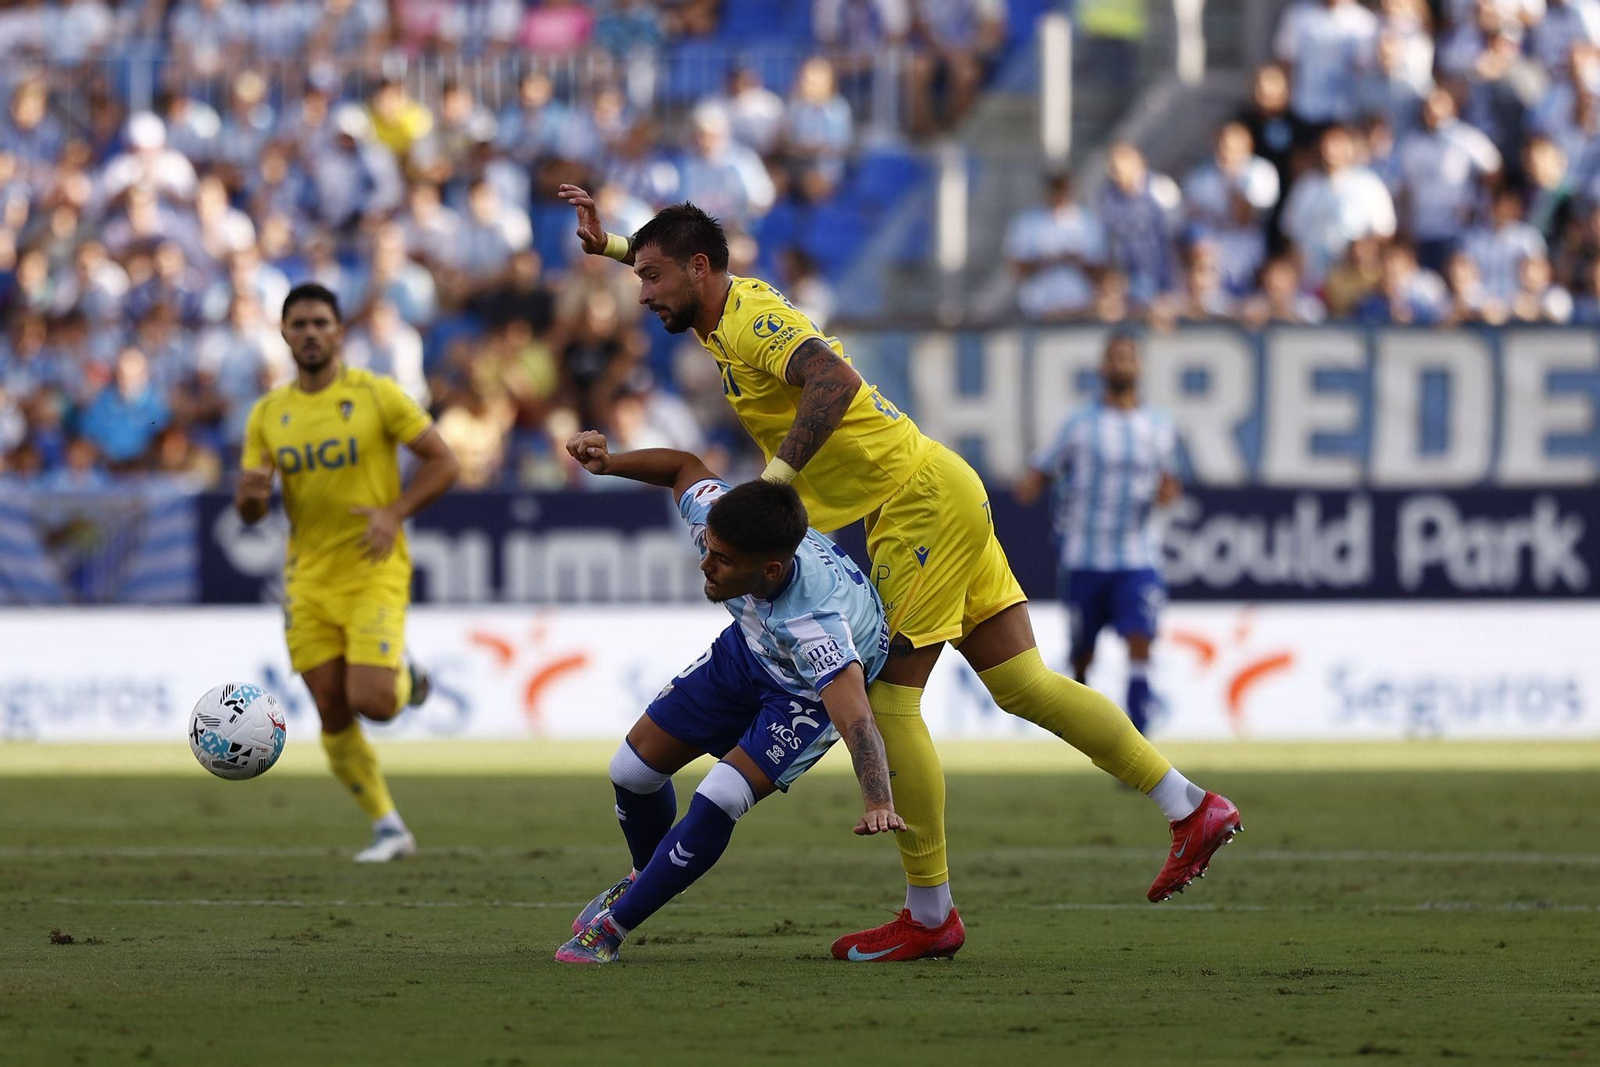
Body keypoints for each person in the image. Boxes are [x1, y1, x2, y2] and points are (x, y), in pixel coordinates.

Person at [558, 187, 1242, 962]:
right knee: (1022, 684)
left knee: (885, 703)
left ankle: (929, 913)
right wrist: (613, 246)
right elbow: (693, 275)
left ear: (700, 268)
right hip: (930, 489)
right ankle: (1189, 804)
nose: (643, 294)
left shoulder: (746, 318)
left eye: (651, 277)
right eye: (637, 275)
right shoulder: (721, 313)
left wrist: (778, 479)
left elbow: (835, 382)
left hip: (916, 506)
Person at [554, 432, 906, 964]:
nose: (704, 564)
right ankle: (644, 876)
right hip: (747, 653)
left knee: (720, 796)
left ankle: (612, 930)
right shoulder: (719, 515)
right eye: (709, 549)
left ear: (769, 570)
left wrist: (878, 801)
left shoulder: (816, 624)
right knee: (630, 772)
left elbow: (854, 714)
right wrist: (610, 464)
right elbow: (683, 465)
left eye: (721, 559)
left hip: (803, 695)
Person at [234, 283, 460, 862]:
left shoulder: (376, 395)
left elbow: (445, 461)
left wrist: (395, 511)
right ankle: (388, 827)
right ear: (283, 334)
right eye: (299, 324)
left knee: (376, 703)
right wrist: (251, 498)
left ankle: (408, 678)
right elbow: (252, 509)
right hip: (306, 581)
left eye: (320, 323)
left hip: (371, 570)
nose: (310, 333)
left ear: (339, 332)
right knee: (331, 706)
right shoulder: (268, 414)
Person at [1014, 331, 1179, 735]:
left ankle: (1140, 735)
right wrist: (1036, 488)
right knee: (1083, 657)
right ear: (1102, 368)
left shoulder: (1158, 425)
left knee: (1140, 640)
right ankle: (1087, 735)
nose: (1121, 365)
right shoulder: (1080, 424)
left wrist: (1165, 493)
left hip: (1138, 556)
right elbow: (1041, 470)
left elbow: (1169, 482)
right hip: (1085, 557)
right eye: (1114, 358)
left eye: (1128, 358)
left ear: (1139, 367)